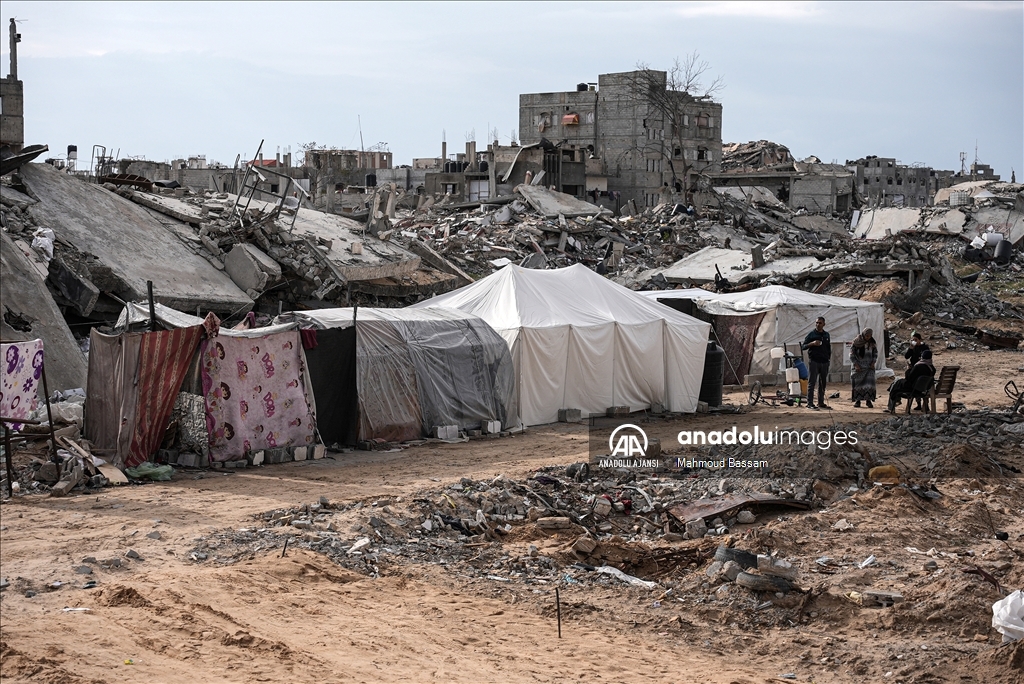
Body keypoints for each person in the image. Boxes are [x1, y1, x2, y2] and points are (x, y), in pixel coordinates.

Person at [801, 316, 831, 410]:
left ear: (824, 324)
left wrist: (828, 358)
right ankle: (810, 403)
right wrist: (812, 343)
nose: (818, 324)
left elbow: (828, 348)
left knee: (822, 383)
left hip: (824, 362)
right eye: (817, 323)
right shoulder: (811, 334)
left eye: (820, 323)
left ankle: (820, 402)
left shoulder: (826, 335)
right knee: (812, 382)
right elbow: (803, 347)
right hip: (814, 361)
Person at [850, 329, 877, 408]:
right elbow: (851, 354)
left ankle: (868, 401)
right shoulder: (856, 342)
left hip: (869, 367)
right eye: (866, 336)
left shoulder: (872, 343)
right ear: (863, 334)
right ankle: (858, 401)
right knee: (858, 384)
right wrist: (855, 364)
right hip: (859, 367)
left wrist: (873, 362)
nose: (868, 337)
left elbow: (875, 353)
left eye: (870, 336)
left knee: (869, 384)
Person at [904, 332, 930, 410]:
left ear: (920, 340)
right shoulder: (913, 348)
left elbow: (925, 358)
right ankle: (918, 403)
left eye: (916, 340)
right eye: (913, 340)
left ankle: (925, 404)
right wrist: (910, 348)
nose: (914, 341)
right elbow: (906, 356)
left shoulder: (924, 348)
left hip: (921, 369)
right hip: (914, 369)